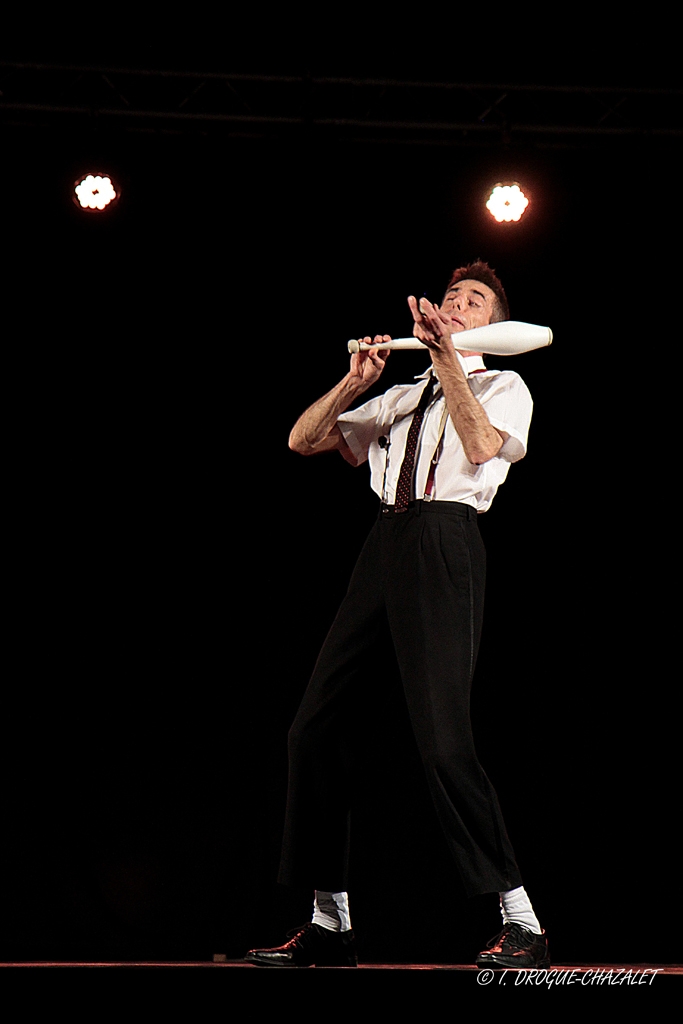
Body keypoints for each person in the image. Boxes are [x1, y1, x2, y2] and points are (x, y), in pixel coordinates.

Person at [245, 261, 549, 970]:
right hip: (384, 542)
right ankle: (329, 925)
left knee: (443, 741)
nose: (454, 304)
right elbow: (303, 440)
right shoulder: (400, 395)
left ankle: (521, 919)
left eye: (471, 300)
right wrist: (356, 383)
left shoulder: (504, 385)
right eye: (448, 296)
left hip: (446, 539)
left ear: (493, 324)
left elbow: (478, 448)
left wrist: (448, 361)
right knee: (313, 730)